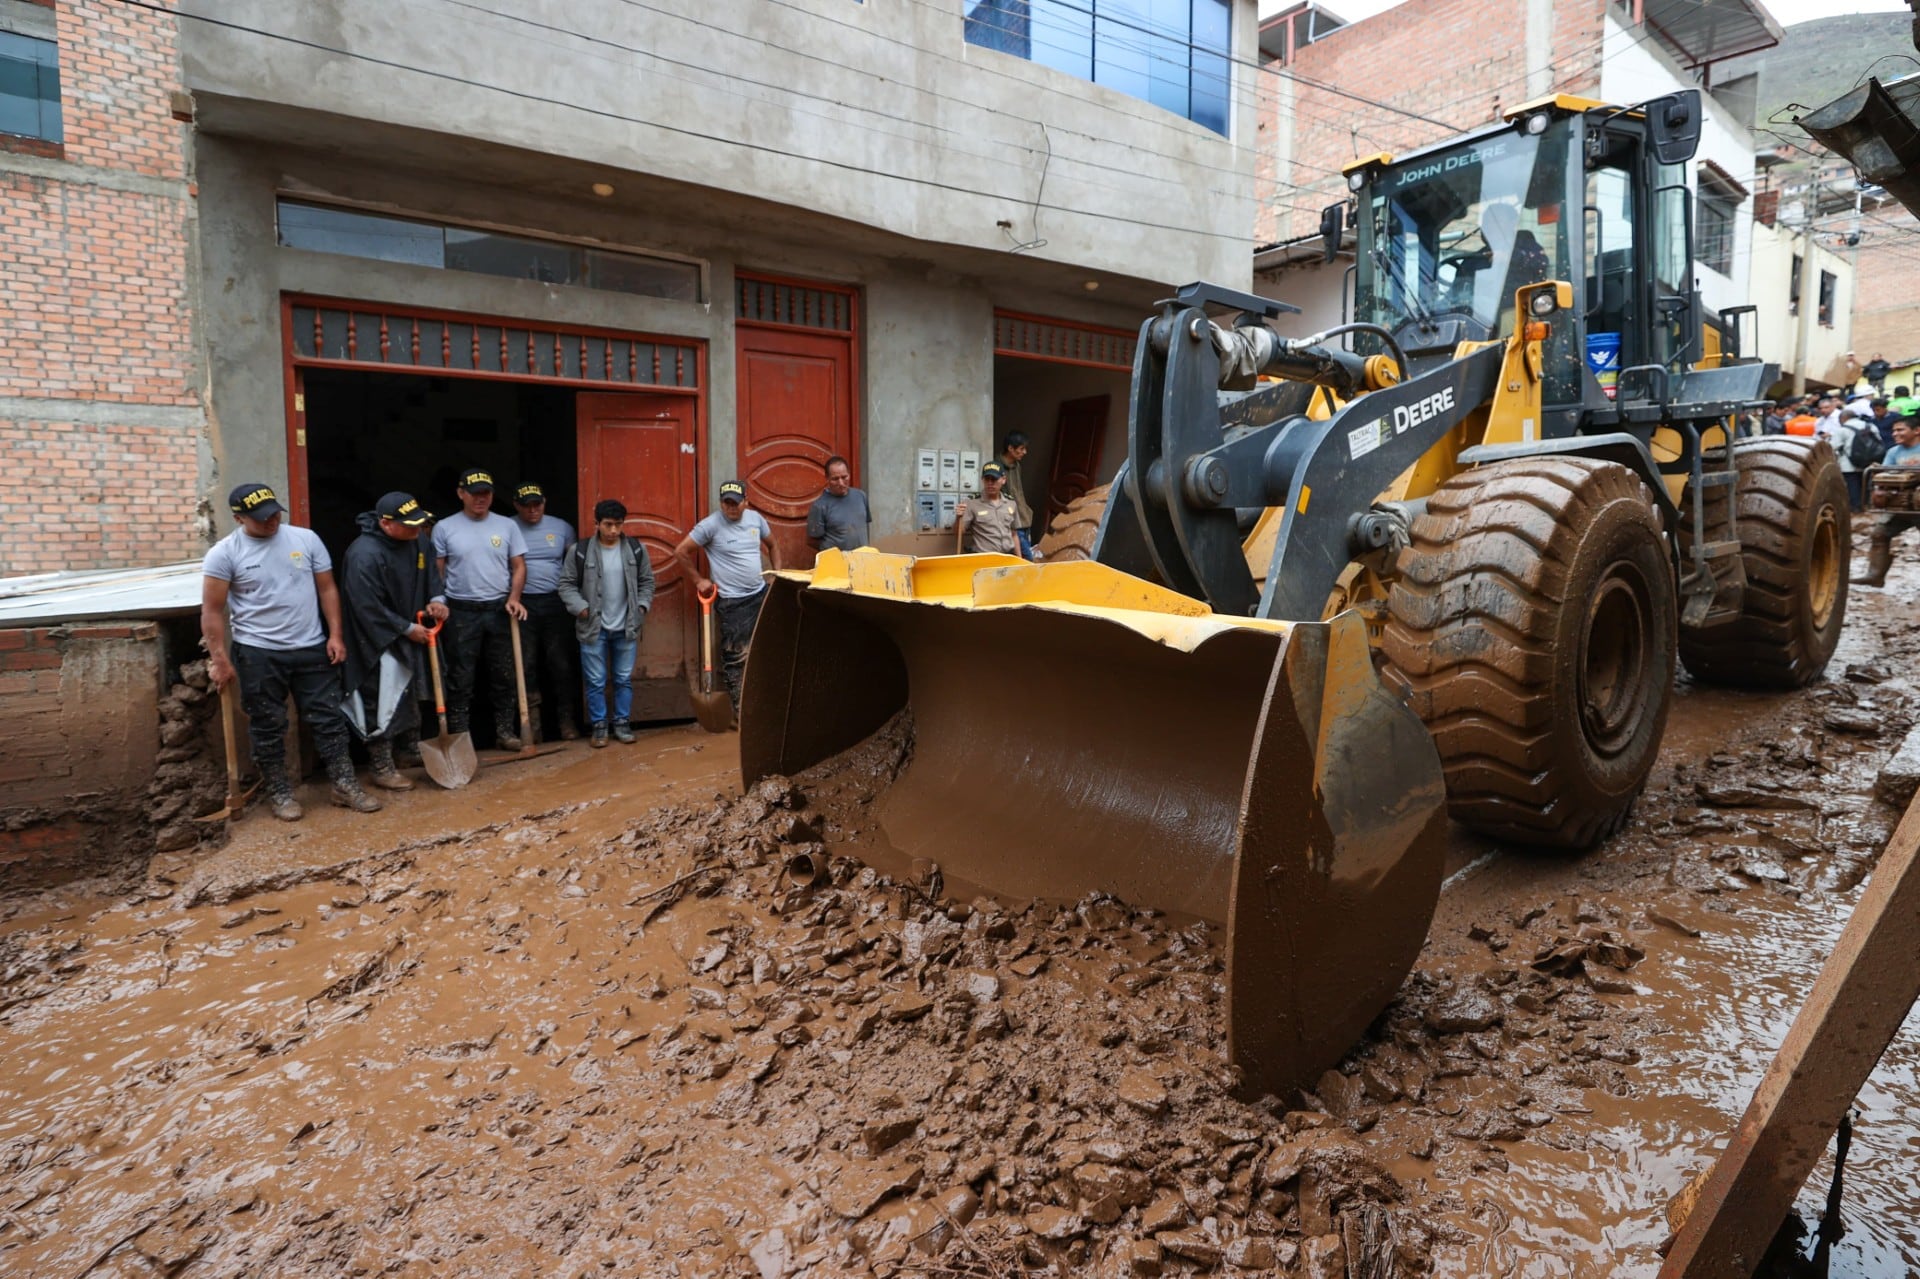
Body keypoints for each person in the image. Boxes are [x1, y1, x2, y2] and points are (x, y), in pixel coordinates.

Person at [201, 482, 382, 820]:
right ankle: (280, 792)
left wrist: (335, 636)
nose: (271, 520)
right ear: (239, 519)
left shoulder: (305, 539)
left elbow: (327, 588)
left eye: (274, 512)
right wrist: (220, 660)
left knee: (329, 719)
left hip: (311, 646)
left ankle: (344, 783)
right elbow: (212, 610)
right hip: (258, 652)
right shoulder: (224, 554)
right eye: (261, 517)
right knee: (268, 724)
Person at [340, 491, 448, 790]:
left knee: (411, 693)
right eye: (410, 525)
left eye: (419, 525)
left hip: (414, 631)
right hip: (376, 638)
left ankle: (409, 750)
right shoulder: (364, 554)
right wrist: (404, 627)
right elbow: (365, 605)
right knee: (382, 699)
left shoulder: (418, 540)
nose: (417, 531)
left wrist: (437, 600)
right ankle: (381, 764)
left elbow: (431, 579)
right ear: (386, 524)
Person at [430, 466, 529, 749]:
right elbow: (437, 572)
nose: (480, 499)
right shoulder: (445, 528)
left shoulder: (507, 526)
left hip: (499, 609)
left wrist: (514, 597)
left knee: (504, 674)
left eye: (485, 494)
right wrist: (439, 601)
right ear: (461, 494)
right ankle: (461, 738)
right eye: (474, 494)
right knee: (461, 677)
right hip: (461, 611)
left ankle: (505, 733)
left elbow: (518, 565)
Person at [674, 481, 779, 715]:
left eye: (736, 503)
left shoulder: (756, 520)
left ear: (746, 502)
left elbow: (773, 545)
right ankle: (741, 710)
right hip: (732, 602)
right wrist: (699, 580)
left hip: (760, 595)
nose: (731, 508)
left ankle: (764, 703)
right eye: (726, 503)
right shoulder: (710, 526)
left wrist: (775, 574)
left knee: (765, 650)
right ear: (721, 503)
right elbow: (681, 551)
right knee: (736, 656)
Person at [558, 499, 656, 747]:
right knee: (595, 681)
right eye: (608, 525)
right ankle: (599, 727)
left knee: (623, 678)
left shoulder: (635, 549)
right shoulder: (579, 551)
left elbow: (647, 581)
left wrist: (642, 606)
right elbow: (566, 584)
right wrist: (580, 608)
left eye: (618, 525)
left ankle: (622, 723)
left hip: (626, 626)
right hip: (593, 627)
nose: (613, 531)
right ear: (597, 524)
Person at [511, 481, 581, 741]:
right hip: (521, 604)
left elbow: (574, 565)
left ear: (544, 502)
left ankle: (566, 722)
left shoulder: (561, 527)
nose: (532, 510)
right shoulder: (508, 527)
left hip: (555, 603)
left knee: (560, 663)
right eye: (526, 506)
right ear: (516, 505)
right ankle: (533, 727)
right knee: (525, 663)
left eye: (537, 504)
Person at [1853, 418, 1920, 587]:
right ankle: (1875, 575)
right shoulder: (1893, 452)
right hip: (1899, 503)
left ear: (1916, 430)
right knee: (1880, 534)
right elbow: (1884, 475)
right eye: (1894, 430)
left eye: (1900, 430)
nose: (1895, 434)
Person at [805, 455, 871, 554]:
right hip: (837, 563)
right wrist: (834, 553)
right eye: (835, 479)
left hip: (863, 560)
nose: (841, 483)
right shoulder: (820, 506)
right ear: (827, 479)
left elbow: (865, 525)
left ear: (849, 474)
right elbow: (811, 541)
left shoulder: (861, 496)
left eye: (844, 477)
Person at [957, 462, 1022, 556]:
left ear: (1003, 480)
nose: (990, 483)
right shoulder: (972, 503)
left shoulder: (1011, 503)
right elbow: (959, 532)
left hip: (1008, 557)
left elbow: (1014, 534)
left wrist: (1019, 559)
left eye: (994, 479)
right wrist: (957, 517)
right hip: (985, 558)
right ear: (982, 480)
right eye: (987, 479)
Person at [998, 432, 1037, 561]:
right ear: (1010, 448)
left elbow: (1018, 492)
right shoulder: (997, 467)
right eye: (1021, 449)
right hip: (1012, 522)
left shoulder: (1017, 466)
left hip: (1024, 518)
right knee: (1026, 559)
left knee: (1024, 558)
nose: (1024, 452)